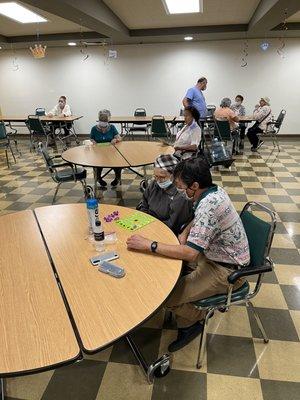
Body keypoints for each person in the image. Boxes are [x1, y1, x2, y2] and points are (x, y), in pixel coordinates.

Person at [127, 157, 250, 352]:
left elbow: (191, 254)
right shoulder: (213, 191)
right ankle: (189, 313)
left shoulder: (208, 206)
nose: (180, 191)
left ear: (195, 185)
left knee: (165, 298)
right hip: (214, 255)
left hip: (227, 270)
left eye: (181, 187)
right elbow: (199, 221)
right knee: (169, 269)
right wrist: (184, 232)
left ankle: (196, 319)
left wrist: (149, 244)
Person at [137, 154, 193, 235]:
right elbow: (144, 204)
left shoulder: (181, 195)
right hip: (148, 224)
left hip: (165, 231)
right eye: (156, 176)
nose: (158, 180)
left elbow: (173, 225)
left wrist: (150, 227)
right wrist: (143, 220)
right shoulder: (154, 184)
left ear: (175, 176)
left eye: (162, 177)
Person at [90, 110, 122, 187]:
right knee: (97, 164)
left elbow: (119, 138)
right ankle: (98, 178)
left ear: (108, 120)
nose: (103, 123)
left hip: (111, 152)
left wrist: (116, 140)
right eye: (102, 120)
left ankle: (117, 178)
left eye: (105, 121)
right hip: (99, 152)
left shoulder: (112, 127)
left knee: (118, 162)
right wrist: (93, 142)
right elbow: (91, 139)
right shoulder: (94, 129)